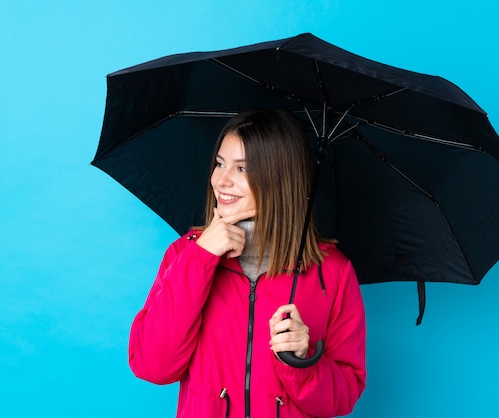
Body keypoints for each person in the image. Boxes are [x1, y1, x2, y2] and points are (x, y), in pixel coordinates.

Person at [128, 109, 366, 417]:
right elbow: (153, 366)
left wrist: (302, 361)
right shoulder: (184, 255)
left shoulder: (331, 270)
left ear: (279, 179)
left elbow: (342, 397)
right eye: (219, 163)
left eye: (242, 169)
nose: (221, 180)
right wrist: (201, 257)